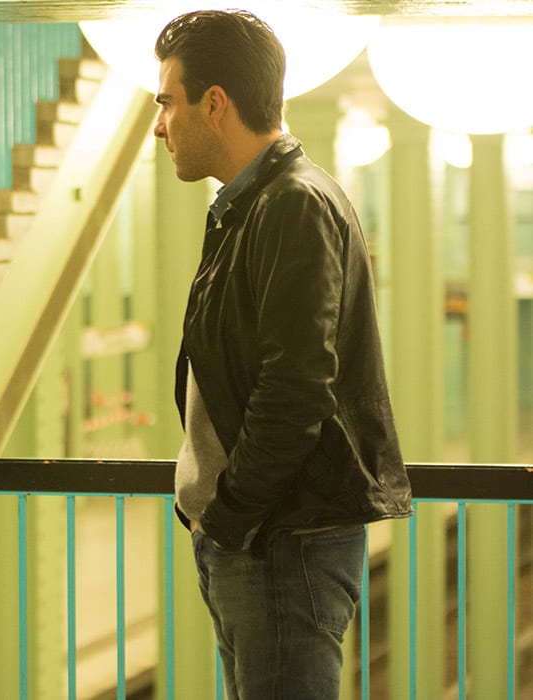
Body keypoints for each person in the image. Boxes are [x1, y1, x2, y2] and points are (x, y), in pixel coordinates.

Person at [152, 10, 412, 699]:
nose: (159, 127)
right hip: (264, 538)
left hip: (278, 541)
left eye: (167, 103)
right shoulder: (255, 205)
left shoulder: (291, 205)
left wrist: (230, 517)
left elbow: (296, 388)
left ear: (215, 104)